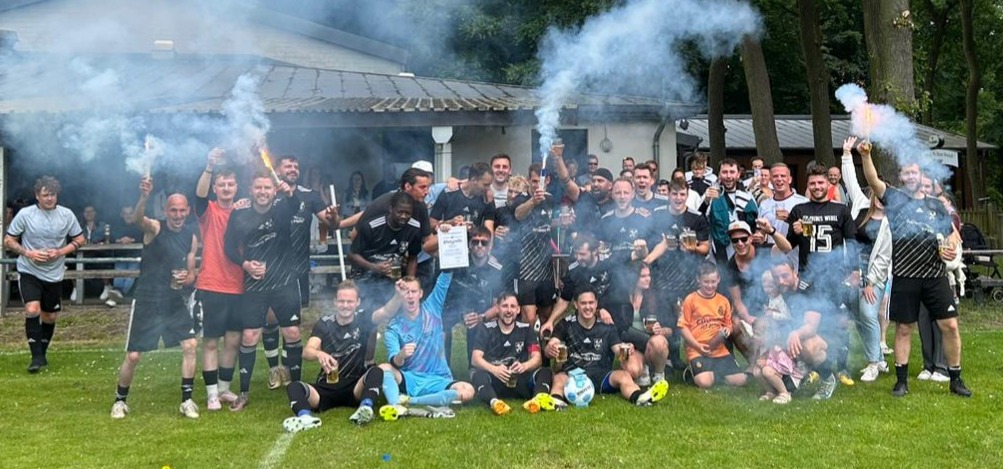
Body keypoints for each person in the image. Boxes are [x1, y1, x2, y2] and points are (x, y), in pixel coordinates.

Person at [857, 140, 971, 397]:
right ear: (902, 177)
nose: (910, 176)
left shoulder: (936, 205)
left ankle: (955, 378)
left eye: (914, 172)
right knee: (904, 328)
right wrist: (865, 156)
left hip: (935, 277)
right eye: (906, 173)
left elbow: (952, 236)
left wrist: (951, 249)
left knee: (950, 326)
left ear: (921, 176)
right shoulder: (894, 199)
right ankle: (901, 381)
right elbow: (873, 180)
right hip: (905, 276)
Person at [110, 177, 200, 419]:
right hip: (147, 299)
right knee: (134, 356)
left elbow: (191, 272)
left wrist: (187, 278)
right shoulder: (155, 228)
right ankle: (120, 401)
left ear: (188, 211)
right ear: (166, 211)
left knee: (190, 345)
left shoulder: (191, 237)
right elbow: (138, 219)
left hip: (172, 299)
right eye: (173, 210)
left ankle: (187, 400)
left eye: (182, 210)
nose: (178, 215)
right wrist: (144, 196)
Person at [771, 164, 858, 391]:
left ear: (828, 184)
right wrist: (794, 231)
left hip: (834, 277)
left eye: (821, 182)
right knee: (811, 323)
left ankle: (842, 367)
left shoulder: (841, 210)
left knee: (839, 322)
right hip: (809, 277)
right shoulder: (799, 210)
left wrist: (855, 271)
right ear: (807, 186)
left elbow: (852, 242)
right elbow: (788, 245)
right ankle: (815, 367)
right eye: (813, 183)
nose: (817, 186)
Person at [223, 171, 302, 411]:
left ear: (274, 190)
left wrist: (291, 194)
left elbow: (295, 205)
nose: (263, 192)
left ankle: (297, 388)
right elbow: (228, 247)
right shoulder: (239, 214)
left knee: (292, 332)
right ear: (251, 189)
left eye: (267, 188)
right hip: (255, 284)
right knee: (249, 336)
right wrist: (245, 264)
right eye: (258, 187)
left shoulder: (282, 209)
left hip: (284, 281)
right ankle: (244, 393)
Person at [4, 176, 86, 373]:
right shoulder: (26, 214)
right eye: (46, 195)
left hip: (54, 273)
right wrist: (28, 253)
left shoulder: (66, 215)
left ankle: (42, 353)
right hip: (29, 270)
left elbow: (80, 239)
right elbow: (8, 240)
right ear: (37, 196)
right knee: (32, 309)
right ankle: (36, 358)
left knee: (49, 316)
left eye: (53, 195)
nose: (49, 198)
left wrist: (61, 252)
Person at [281, 280, 385, 431]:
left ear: (357, 302)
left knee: (376, 371)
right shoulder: (324, 323)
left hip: (354, 386)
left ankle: (365, 408)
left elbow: (385, 312)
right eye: (341, 301)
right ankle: (305, 418)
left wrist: (398, 297)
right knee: (294, 386)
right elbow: (307, 351)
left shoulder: (363, 320)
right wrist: (319, 353)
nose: (345, 305)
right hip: (326, 386)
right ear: (335, 302)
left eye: (349, 301)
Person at [545, 289, 668, 407]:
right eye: (583, 303)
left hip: (601, 374)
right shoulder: (566, 324)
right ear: (576, 305)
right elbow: (551, 345)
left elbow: (618, 350)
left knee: (624, 376)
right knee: (559, 378)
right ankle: (556, 401)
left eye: (591, 303)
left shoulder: (607, 327)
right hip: (574, 374)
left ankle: (640, 397)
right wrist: (550, 350)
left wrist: (626, 350)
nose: (588, 307)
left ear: (596, 304)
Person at [378, 272, 477, 419]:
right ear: (400, 297)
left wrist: (450, 259)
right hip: (410, 379)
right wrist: (401, 354)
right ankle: (395, 406)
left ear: (420, 294)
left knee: (467, 390)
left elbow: (444, 280)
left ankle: (409, 401)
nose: (410, 296)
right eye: (406, 292)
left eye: (413, 291)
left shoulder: (432, 307)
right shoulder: (394, 326)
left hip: (438, 378)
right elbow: (394, 361)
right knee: (383, 368)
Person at [192, 149, 246, 410]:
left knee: (233, 340)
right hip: (212, 283)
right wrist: (209, 166)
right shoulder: (209, 210)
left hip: (238, 284)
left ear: (236, 187)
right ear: (215, 188)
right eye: (222, 184)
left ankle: (224, 389)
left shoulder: (243, 211)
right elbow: (199, 195)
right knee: (211, 341)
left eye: (230, 184)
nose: (226, 188)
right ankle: (211, 393)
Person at [840, 137, 892, 382]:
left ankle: (873, 363)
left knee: (869, 314)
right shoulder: (860, 206)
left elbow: (884, 258)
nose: (880, 198)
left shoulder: (890, 222)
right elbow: (850, 180)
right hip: (851, 271)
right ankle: (879, 359)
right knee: (858, 317)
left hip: (875, 275)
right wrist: (846, 154)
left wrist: (870, 282)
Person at [644, 178, 711, 366]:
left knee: (688, 318)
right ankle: (671, 358)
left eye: (682, 194)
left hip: (687, 275)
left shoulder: (696, 217)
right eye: (675, 194)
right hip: (662, 274)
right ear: (668, 195)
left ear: (687, 195)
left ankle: (695, 358)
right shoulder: (657, 215)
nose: (678, 198)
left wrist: (693, 248)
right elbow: (650, 241)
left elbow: (706, 247)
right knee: (667, 319)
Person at [471, 292, 556, 415]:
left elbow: (537, 358)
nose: (509, 310)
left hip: (518, 379)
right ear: (497, 309)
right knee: (478, 375)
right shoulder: (486, 329)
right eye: (505, 306)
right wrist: (494, 369)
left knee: (545, 372)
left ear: (518, 310)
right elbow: (475, 358)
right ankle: (495, 403)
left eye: (513, 306)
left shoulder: (526, 329)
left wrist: (524, 366)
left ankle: (536, 401)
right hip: (496, 380)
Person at [441, 227, 505, 368]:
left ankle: (475, 369)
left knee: (478, 325)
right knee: (441, 325)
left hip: (481, 309)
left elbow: (498, 306)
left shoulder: (496, 269)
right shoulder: (457, 261)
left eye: (484, 243)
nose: (479, 246)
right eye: (475, 242)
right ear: (469, 244)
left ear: (490, 246)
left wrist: (481, 317)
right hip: (455, 306)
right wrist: (446, 229)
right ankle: (443, 369)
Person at [678, 262, 747, 389]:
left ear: (718, 279)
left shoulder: (723, 301)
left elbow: (728, 325)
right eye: (706, 282)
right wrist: (697, 345)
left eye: (713, 282)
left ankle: (714, 372)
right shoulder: (690, 299)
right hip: (697, 350)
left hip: (718, 350)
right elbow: (683, 327)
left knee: (741, 380)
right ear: (698, 280)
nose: (710, 285)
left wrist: (727, 330)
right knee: (705, 383)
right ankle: (692, 372)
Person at [602, 262, 671, 386]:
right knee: (633, 370)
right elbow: (596, 303)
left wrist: (661, 330)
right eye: (643, 276)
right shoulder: (619, 296)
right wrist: (601, 310)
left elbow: (671, 329)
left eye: (649, 275)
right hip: (629, 346)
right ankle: (642, 368)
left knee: (659, 342)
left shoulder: (655, 297)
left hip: (650, 345)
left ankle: (659, 374)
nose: (648, 279)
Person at [540, 233, 614, 338]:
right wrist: (550, 321)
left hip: (610, 312)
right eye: (576, 254)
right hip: (586, 314)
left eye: (582, 254)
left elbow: (617, 293)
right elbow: (565, 299)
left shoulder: (609, 266)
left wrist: (603, 309)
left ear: (594, 251)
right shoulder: (573, 270)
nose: (578, 258)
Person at [703, 158, 759, 263]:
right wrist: (706, 201)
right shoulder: (711, 194)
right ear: (719, 175)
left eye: (732, 172)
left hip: (743, 250)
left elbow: (755, 223)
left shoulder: (747, 197)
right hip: (720, 251)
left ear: (738, 174)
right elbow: (700, 220)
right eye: (724, 172)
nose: (728, 176)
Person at [757, 163, 809, 262]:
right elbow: (761, 232)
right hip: (773, 259)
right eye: (775, 176)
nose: (779, 179)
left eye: (783, 176)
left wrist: (790, 219)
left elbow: (810, 232)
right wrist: (759, 235)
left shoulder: (803, 202)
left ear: (790, 179)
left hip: (797, 258)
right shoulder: (764, 205)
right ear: (770, 180)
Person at [430, 161, 496, 233]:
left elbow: (489, 230)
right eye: (485, 185)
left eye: (489, 185)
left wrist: (475, 230)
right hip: (450, 238)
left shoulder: (487, 198)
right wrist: (450, 223)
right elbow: (432, 225)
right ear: (474, 180)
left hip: (474, 239)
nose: (488, 188)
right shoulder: (449, 193)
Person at [111, 205, 143, 296]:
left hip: (135, 256)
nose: (128, 216)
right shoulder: (117, 226)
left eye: (130, 213)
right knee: (119, 274)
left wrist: (131, 240)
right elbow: (111, 238)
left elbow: (144, 237)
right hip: (121, 256)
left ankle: (120, 294)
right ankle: (117, 293)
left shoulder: (139, 226)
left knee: (130, 275)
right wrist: (120, 240)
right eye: (125, 214)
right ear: (122, 215)